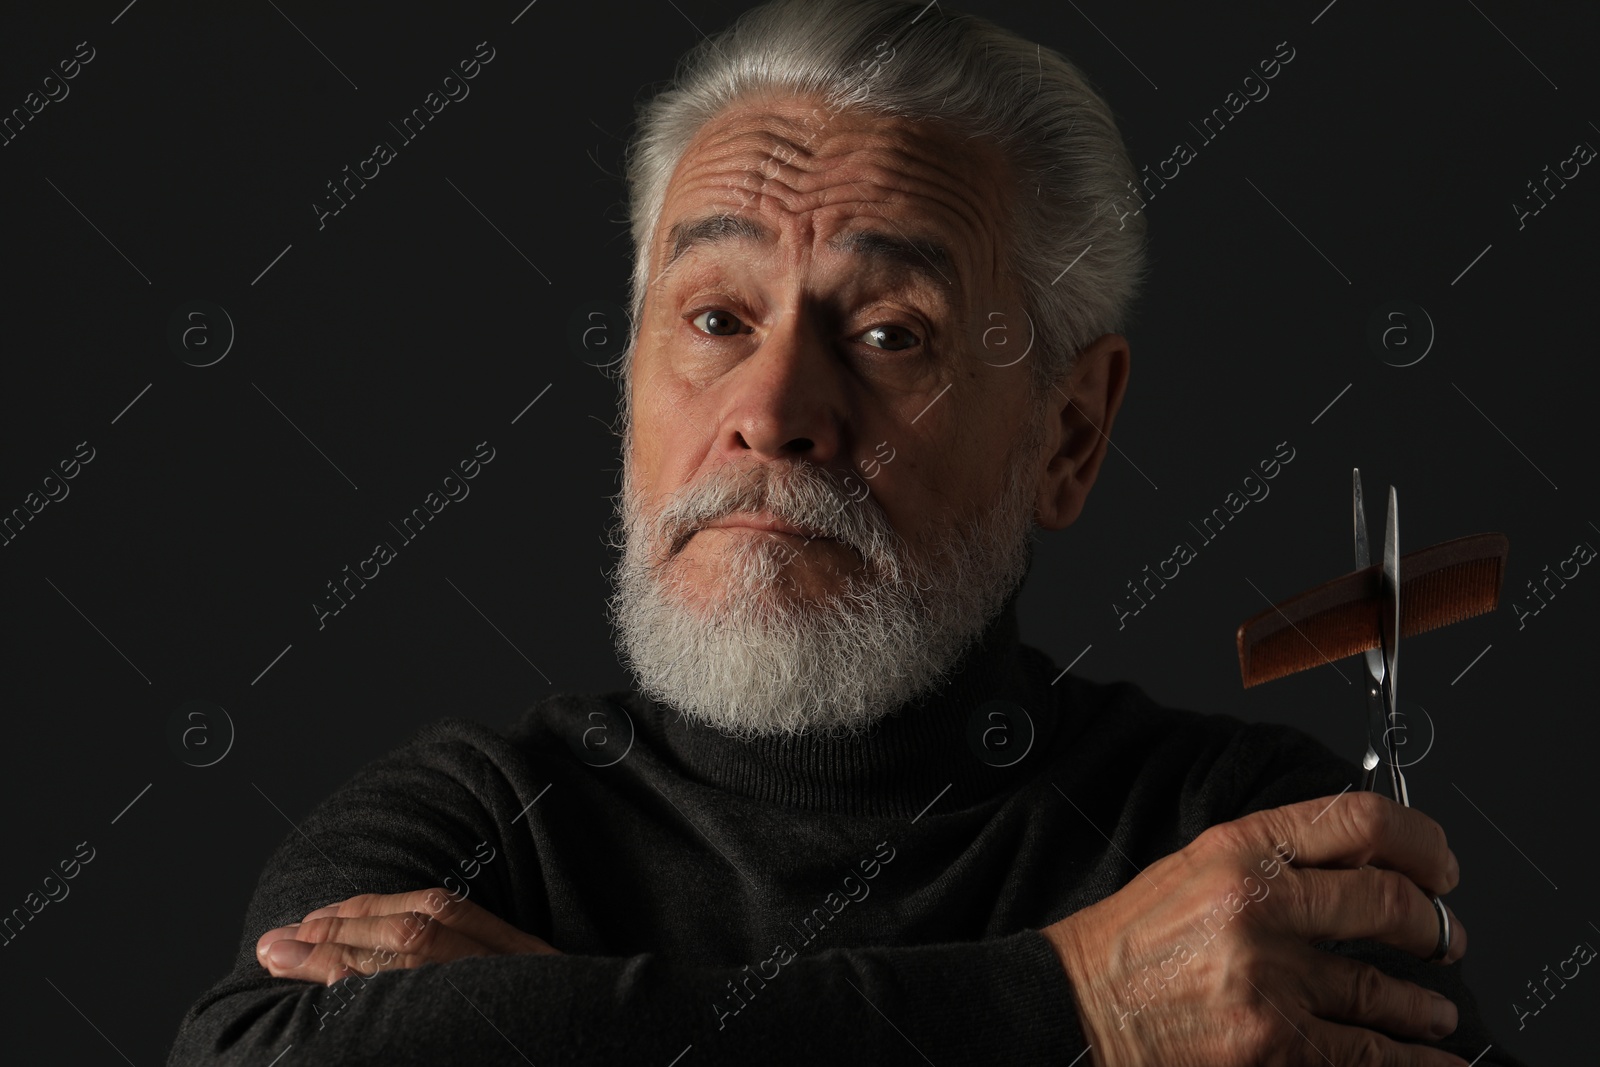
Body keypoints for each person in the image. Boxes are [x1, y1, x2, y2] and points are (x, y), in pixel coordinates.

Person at [167, 1, 1525, 1063]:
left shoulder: (1242, 850)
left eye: (890, 334)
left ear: (1068, 434)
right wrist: (1078, 1011)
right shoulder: (473, 824)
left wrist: (545, 1028)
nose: (773, 412)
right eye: (715, 319)